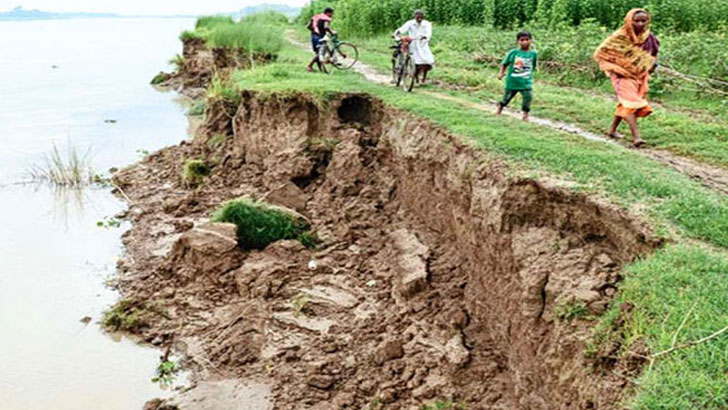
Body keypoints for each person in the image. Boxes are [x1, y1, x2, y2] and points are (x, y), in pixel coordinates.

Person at [594, 8, 660, 148]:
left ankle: (612, 131)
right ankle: (637, 137)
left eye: (644, 21)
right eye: (637, 21)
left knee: (626, 102)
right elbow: (602, 53)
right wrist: (618, 67)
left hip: (639, 75)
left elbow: (651, 55)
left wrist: (650, 65)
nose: (640, 24)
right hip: (620, 75)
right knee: (631, 102)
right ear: (629, 21)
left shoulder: (649, 37)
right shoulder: (619, 37)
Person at [497, 31, 538, 121]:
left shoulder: (533, 54)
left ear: (531, 41)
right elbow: (504, 63)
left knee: (528, 97)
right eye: (522, 40)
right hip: (513, 81)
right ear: (518, 41)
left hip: (526, 82)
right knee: (507, 98)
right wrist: (501, 73)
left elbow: (533, 65)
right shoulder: (513, 53)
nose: (524, 42)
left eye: (527, 39)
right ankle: (500, 107)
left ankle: (525, 115)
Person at [394, 10, 435, 84]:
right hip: (412, 43)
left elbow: (429, 33)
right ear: (414, 16)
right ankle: (409, 71)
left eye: (421, 16)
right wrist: (397, 32)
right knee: (414, 58)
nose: (419, 18)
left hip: (422, 44)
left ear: (423, 17)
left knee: (427, 59)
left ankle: (423, 77)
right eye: (417, 16)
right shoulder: (410, 23)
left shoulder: (426, 24)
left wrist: (425, 37)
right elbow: (402, 29)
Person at [306, 8, 337, 72]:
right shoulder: (326, 18)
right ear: (328, 13)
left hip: (313, 36)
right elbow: (326, 27)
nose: (332, 15)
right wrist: (332, 33)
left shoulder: (316, 16)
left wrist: (315, 31)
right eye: (331, 13)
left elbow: (308, 26)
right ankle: (309, 66)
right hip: (320, 37)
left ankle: (320, 69)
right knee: (320, 53)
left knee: (318, 53)